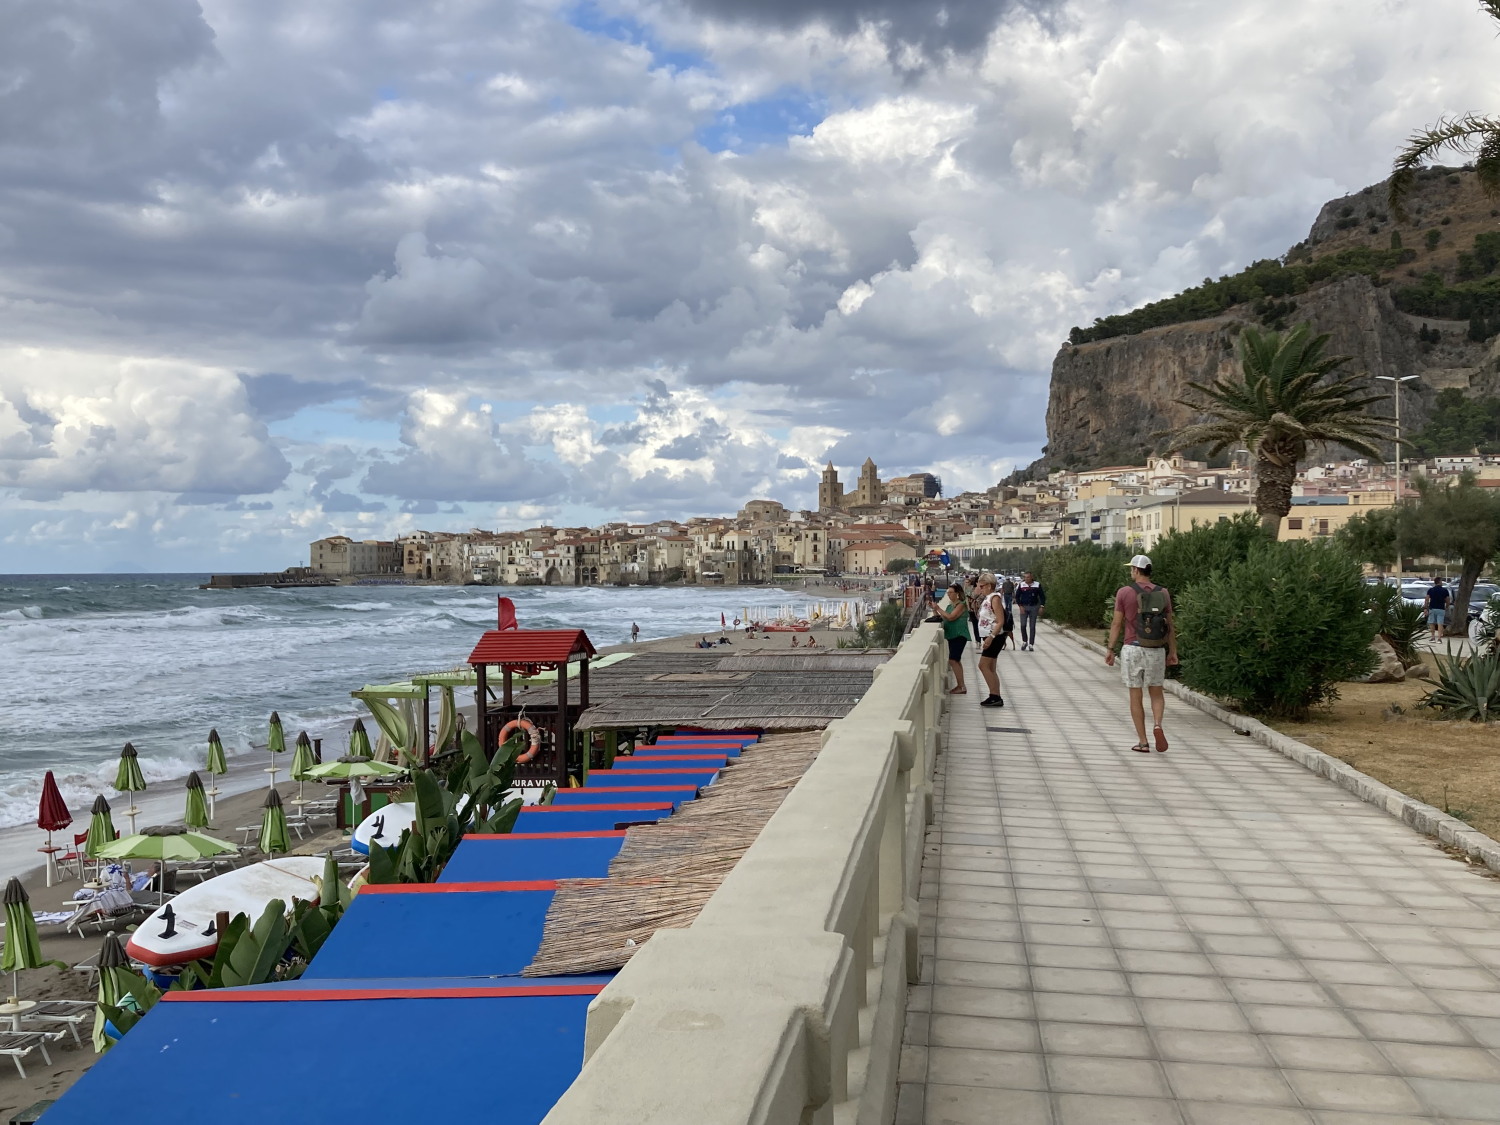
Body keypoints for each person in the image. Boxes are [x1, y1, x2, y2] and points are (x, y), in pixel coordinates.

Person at [1105, 554, 1179, 754]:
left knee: (1135, 696)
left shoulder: (1124, 592)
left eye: (1132, 569)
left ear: (1136, 570)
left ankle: (1143, 741)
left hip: (1133, 648)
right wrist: (1173, 651)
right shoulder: (1163, 593)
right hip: (1156, 649)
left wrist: (1110, 648)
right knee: (1156, 692)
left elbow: (1116, 623)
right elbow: (1170, 625)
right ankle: (1157, 724)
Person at [974, 574, 1006, 708]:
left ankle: (995, 695)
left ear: (988, 585)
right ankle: (995, 695)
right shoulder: (987, 598)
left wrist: (991, 638)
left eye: (981, 586)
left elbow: (1000, 620)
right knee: (991, 667)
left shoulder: (995, 598)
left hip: (994, 636)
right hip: (990, 635)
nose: (980, 588)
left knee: (983, 665)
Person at [934, 582, 970, 694]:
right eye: (948, 593)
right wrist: (935, 609)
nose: (949, 595)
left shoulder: (961, 605)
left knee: (953, 660)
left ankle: (961, 686)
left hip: (959, 635)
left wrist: (939, 608)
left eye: (950, 592)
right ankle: (961, 685)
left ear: (957, 594)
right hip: (952, 635)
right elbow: (943, 616)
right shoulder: (950, 605)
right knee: (956, 660)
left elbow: (951, 617)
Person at [1014, 572, 1046, 651]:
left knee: (1032, 626)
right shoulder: (1021, 585)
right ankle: (1025, 641)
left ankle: (1031, 644)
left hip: (1034, 607)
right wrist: (1020, 606)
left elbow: (1042, 596)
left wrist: (1042, 606)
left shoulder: (1037, 585)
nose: (1026, 579)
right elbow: (1017, 596)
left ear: (1032, 577)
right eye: (1025, 577)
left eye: (1028, 577)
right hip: (1024, 607)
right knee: (1023, 625)